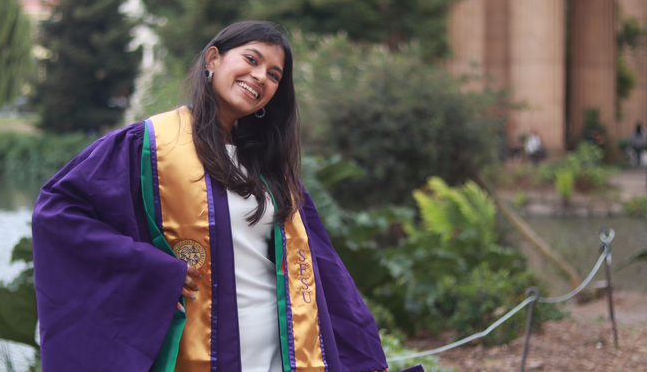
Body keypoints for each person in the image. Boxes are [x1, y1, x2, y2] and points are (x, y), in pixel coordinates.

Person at [32, 21, 421, 372]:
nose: (260, 77)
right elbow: (59, 214)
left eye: (274, 75)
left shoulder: (271, 170)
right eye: (251, 59)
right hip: (194, 351)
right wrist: (150, 268)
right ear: (213, 59)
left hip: (281, 351)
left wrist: (360, 351)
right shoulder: (148, 146)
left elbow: (322, 270)